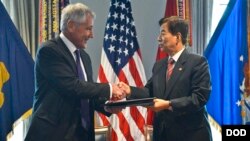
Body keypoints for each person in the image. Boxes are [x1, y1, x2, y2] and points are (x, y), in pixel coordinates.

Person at [25, 3, 125, 141]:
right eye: (88, 29)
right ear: (71, 25)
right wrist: (109, 88)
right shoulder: (49, 51)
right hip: (53, 134)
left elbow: (87, 94)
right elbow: (72, 86)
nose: (92, 35)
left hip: (81, 135)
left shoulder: (84, 57)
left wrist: (107, 106)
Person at [119, 16, 213, 141]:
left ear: (177, 37)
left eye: (163, 33)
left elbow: (199, 98)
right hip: (163, 135)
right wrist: (129, 90)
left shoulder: (197, 62)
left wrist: (168, 104)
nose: (158, 38)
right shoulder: (159, 65)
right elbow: (149, 92)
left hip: (190, 135)